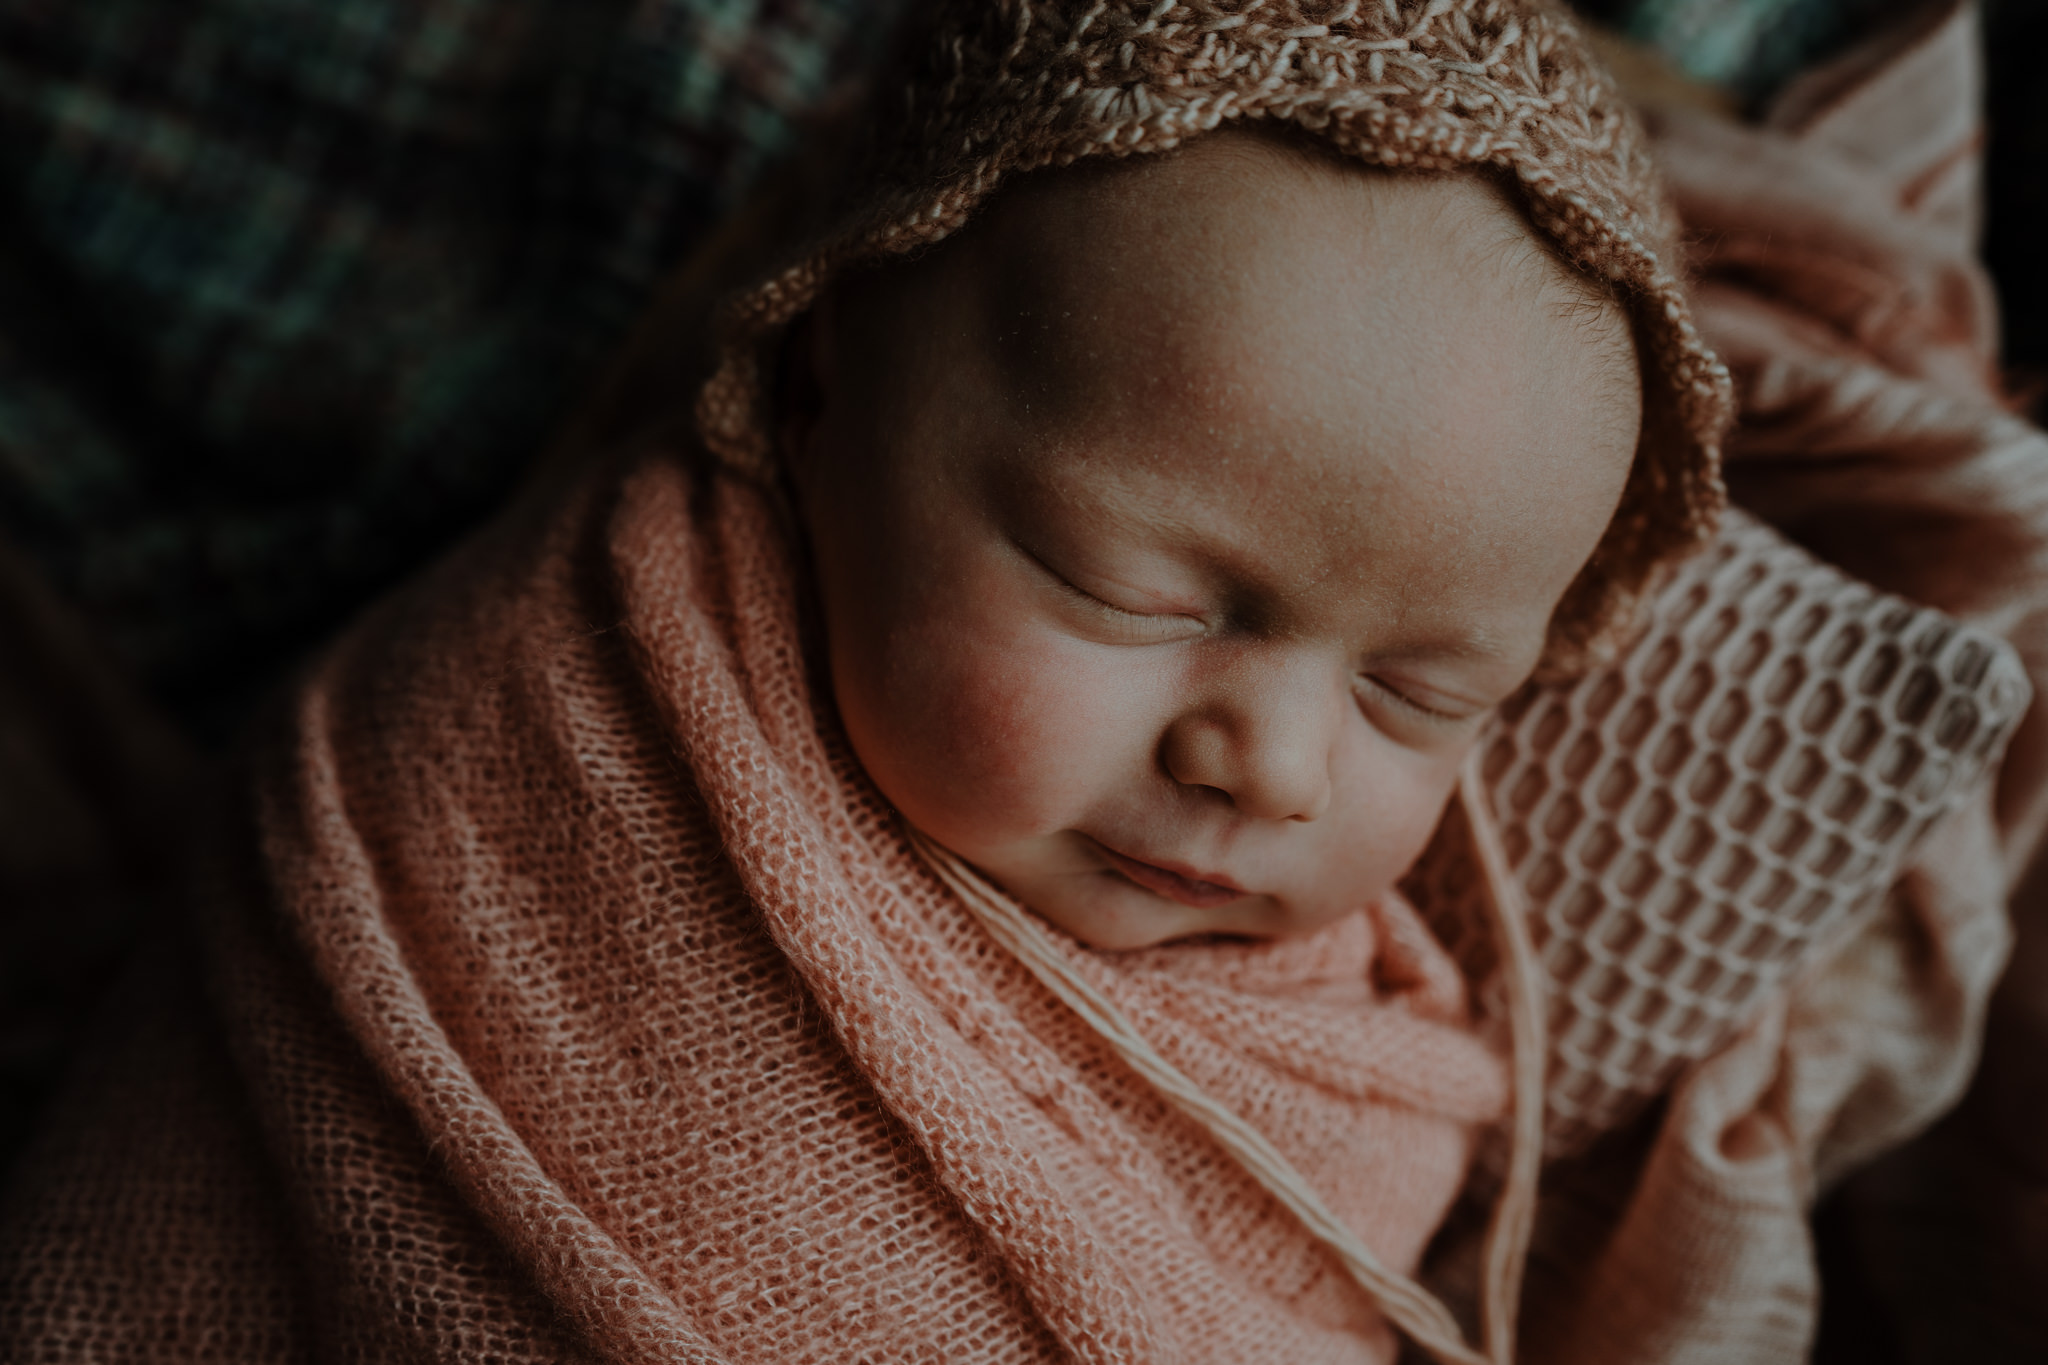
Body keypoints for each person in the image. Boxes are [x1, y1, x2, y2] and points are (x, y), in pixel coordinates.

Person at [14, 1, 1989, 1361]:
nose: (1276, 758)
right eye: (1131, 587)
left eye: (1421, 691)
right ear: (818, 391)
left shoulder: (1374, 1034)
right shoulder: (519, 754)